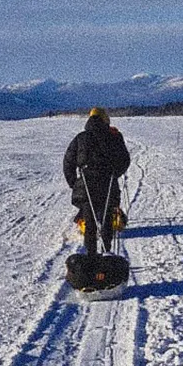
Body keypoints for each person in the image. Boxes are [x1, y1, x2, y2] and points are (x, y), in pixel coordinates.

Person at [63, 107, 131, 258]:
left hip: (86, 184)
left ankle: (90, 257)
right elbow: (125, 160)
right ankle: (107, 254)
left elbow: (68, 163)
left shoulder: (80, 138)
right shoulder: (114, 136)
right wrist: (115, 173)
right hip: (108, 182)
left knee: (89, 221)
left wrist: (74, 183)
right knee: (107, 219)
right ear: (105, 119)